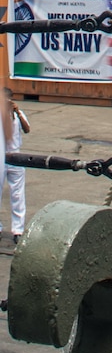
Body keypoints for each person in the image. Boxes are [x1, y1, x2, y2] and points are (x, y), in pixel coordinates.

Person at [3, 88, 30, 243]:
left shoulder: (18, 115)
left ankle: (18, 230)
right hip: (2, 156)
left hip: (16, 156)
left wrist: (18, 113)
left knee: (17, 194)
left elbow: (27, 129)